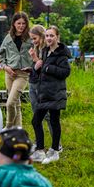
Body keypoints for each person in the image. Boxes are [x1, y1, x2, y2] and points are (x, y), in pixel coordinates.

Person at [29, 26, 70, 163]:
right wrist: (36, 65)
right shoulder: (45, 51)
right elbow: (41, 72)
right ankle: (40, 151)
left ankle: (54, 151)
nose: (49, 38)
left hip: (55, 92)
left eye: (52, 36)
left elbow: (65, 72)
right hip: (44, 92)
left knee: (54, 120)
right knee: (36, 121)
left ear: (57, 37)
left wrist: (47, 67)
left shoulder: (61, 54)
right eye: (47, 36)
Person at [0, 12, 34, 128]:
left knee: (10, 103)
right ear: (14, 24)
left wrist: (32, 66)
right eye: (19, 23)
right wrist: (5, 67)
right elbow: (1, 55)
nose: (21, 26)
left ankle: (8, 126)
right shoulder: (8, 38)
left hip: (23, 74)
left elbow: (38, 53)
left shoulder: (30, 38)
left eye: (23, 23)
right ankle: (18, 130)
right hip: (9, 73)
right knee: (16, 104)